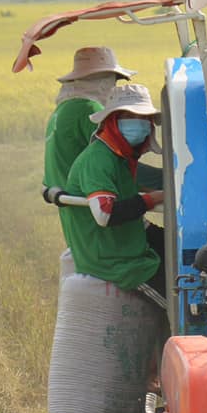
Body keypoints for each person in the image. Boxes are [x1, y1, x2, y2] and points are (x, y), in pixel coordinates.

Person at [60, 84, 169, 297]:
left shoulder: (120, 158)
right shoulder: (98, 159)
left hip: (128, 248)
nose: (138, 123)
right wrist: (151, 199)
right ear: (112, 121)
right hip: (117, 264)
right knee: (183, 297)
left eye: (143, 117)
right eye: (128, 116)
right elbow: (105, 214)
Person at [43, 46, 134, 194]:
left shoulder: (64, 108)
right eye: (114, 81)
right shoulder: (90, 109)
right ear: (104, 82)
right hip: (90, 203)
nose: (114, 87)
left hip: (70, 203)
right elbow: (117, 164)